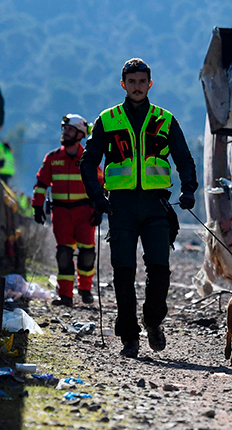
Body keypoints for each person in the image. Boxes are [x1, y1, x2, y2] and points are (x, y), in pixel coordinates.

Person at [79, 58, 197, 358]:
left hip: (157, 205)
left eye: (142, 81)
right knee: (123, 274)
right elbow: (88, 161)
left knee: (160, 271)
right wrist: (96, 197)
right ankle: (129, 337)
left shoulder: (165, 119)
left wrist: (188, 190)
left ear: (150, 84)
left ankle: (153, 320)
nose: (136, 87)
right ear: (123, 84)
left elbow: (183, 159)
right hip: (120, 207)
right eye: (131, 82)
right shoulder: (108, 119)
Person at [32, 115, 103, 307]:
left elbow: (101, 184)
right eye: (64, 129)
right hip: (61, 214)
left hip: (84, 213)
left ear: (80, 134)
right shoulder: (52, 158)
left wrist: (100, 208)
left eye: (69, 130)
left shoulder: (89, 158)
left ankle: (85, 289)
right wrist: (37, 205)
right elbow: (41, 184)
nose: (65, 132)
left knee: (87, 254)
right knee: (63, 255)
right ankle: (65, 295)